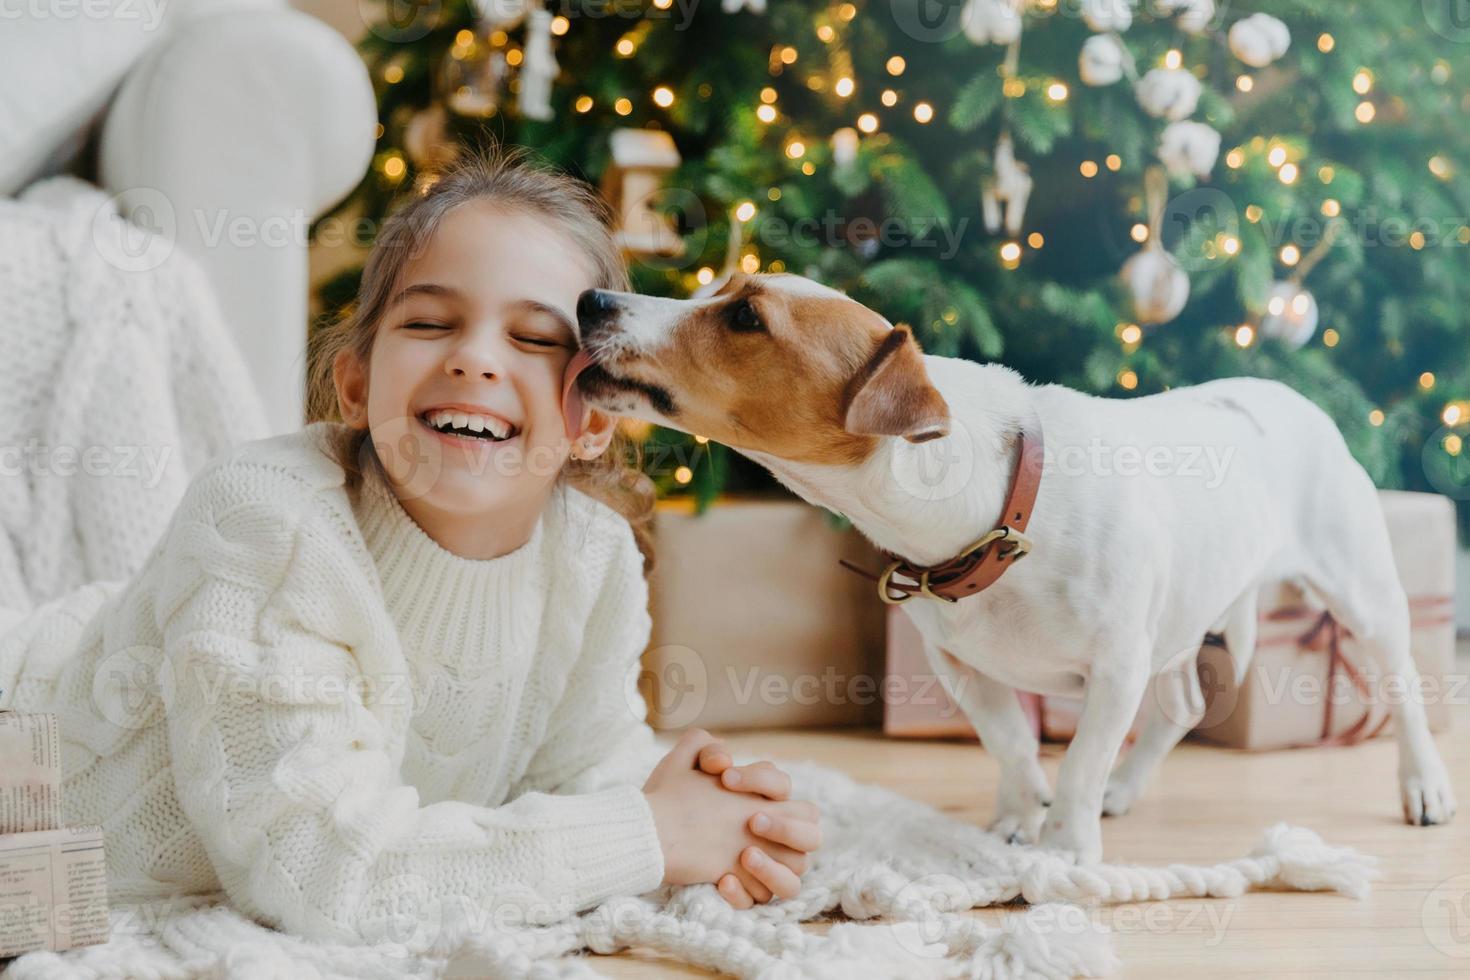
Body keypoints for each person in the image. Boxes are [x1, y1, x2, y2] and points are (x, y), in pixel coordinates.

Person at [0, 147, 821, 950]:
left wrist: (717, 828)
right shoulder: (269, 518)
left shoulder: (593, 559)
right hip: (21, 760)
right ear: (355, 384)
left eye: (536, 340)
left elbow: (585, 778)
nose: (474, 357)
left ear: (594, 419)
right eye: (430, 323)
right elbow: (319, 872)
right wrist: (646, 831)